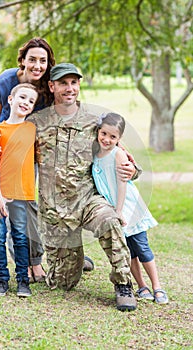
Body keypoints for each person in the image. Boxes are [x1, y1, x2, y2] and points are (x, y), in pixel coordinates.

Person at [26, 63, 141, 311]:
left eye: (74, 83)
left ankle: (123, 284)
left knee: (110, 220)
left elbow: (119, 151)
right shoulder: (36, 122)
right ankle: (76, 262)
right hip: (56, 211)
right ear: (52, 86)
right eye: (64, 83)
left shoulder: (94, 121)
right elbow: (13, 152)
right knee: (63, 283)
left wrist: (133, 170)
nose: (70, 88)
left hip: (88, 200)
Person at [0, 37, 55, 283]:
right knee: (9, 205)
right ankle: (26, 265)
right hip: (5, 151)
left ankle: (34, 261)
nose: (37, 65)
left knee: (28, 205)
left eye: (43, 61)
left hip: (33, 153)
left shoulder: (48, 87)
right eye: (32, 59)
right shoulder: (5, 82)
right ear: (22, 60)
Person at [92, 112, 169, 304]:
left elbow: (122, 184)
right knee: (129, 252)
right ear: (98, 132)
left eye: (113, 137)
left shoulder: (118, 154)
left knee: (142, 248)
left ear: (119, 139)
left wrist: (119, 211)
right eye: (104, 134)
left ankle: (157, 286)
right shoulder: (95, 154)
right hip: (113, 208)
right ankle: (141, 286)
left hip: (128, 207)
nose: (107, 139)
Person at [0, 83, 38, 297]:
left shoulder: (33, 130)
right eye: (22, 98)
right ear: (10, 99)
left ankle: (23, 281)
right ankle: (1, 281)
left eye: (31, 101)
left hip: (21, 193)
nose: (25, 103)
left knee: (20, 236)